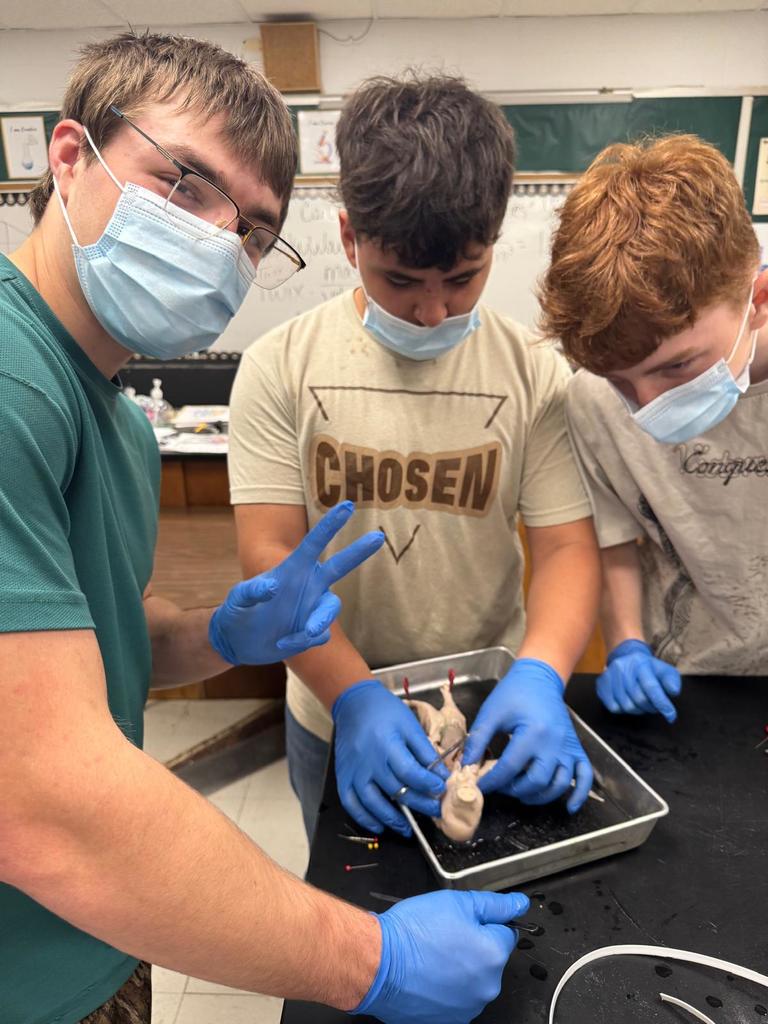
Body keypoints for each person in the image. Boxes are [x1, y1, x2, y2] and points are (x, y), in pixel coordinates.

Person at [0, 32, 532, 1024]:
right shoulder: (10, 379)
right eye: (186, 183)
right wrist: (369, 958)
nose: (216, 240)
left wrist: (214, 636)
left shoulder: (111, 419)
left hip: (99, 946)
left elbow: (101, 648)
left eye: (251, 228)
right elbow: (46, 808)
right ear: (69, 156)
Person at [228, 72, 601, 845]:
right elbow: (271, 558)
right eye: (401, 281)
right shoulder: (279, 366)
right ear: (347, 239)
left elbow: (565, 545)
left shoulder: (535, 371)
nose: (434, 311)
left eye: (462, 279)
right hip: (335, 710)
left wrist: (539, 674)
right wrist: (353, 695)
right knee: (357, 921)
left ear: (494, 243)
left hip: (489, 706)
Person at [538, 134, 768, 723]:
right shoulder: (591, 401)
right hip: (688, 682)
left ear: (758, 300)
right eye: (620, 381)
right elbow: (619, 540)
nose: (646, 407)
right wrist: (627, 644)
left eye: (676, 367)